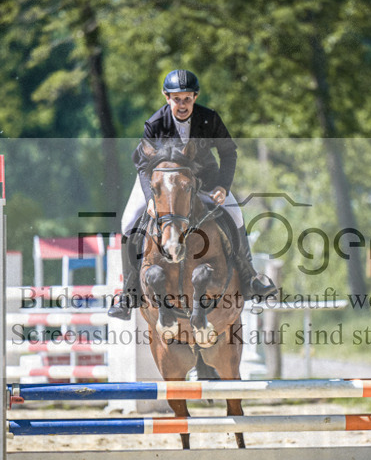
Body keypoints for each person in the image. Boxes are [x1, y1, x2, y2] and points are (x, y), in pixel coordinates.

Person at [108, 69, 276, 320]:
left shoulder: (210, 119)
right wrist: (152, 199)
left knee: (236, 214)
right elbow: (143, 165)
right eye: (177, 99)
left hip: (204, 180)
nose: (182, 105)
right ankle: (128, 292)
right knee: (130, 220)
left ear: (195, 97)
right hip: (159, 183)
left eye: (187, 99)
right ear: (167, 98)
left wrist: (223, 187)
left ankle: (250, 276)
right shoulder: (155, 124)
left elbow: (228, 153)